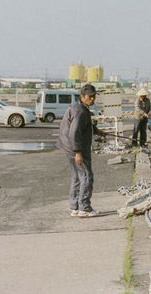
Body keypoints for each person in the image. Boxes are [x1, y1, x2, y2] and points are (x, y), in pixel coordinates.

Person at [57, 84, 104, 218]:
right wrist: (78, 152)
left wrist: (95, 130)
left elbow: (82, 126)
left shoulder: (78, 108)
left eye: (94, 96)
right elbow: (74, 133)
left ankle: (75, 207)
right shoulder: (80, 111)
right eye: (90, 97)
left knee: (77, 177)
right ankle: (84, 208)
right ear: (82, 96)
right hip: (75, 148)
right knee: (86, 176)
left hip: (68, 147)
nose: (93, 99)